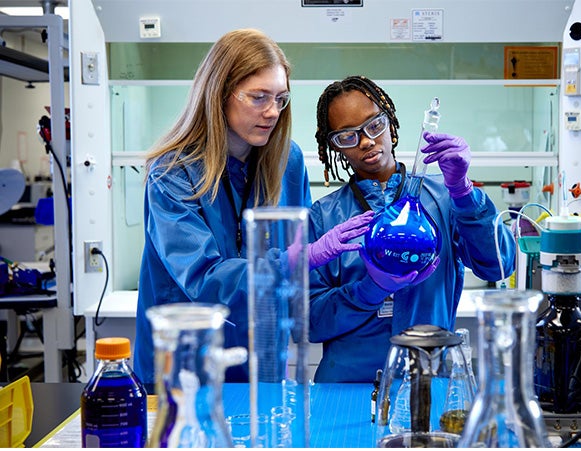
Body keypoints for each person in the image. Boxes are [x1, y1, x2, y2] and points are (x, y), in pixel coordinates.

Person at [133, 30, 371, 388]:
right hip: (184, 367)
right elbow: (206, 279)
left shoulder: (286, 162)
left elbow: (302, 280)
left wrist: (372, 281)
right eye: (258, 97)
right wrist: (298, 259)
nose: (273, 111)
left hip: (263, 365)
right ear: (219, 95)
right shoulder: (173, 173)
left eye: (281, 98)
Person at [309, 75, 517, 383]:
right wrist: (370, 290)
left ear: (391, 126)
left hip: (429, 381)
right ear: (335, 148)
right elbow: (310, 322)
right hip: (347, 387)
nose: (366, 141)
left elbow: (498, 265)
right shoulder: (325, 217)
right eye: (347, 136)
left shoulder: (444, 199)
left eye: (374, 126)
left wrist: (463, 191)